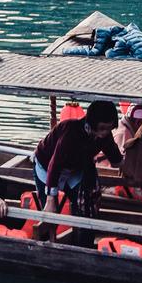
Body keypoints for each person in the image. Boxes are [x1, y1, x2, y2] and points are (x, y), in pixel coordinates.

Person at [34, 101, 121, 242]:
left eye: (109, 128)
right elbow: (54, 165)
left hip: (75, 169)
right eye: (102, 128)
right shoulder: (71, 131)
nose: (105, 133)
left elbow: (116, 159)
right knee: (50, 211)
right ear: (93, 123)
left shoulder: (106, 137)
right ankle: (47, 243)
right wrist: (50, 199)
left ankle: (82, 243)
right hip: (47, 166)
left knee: (85, 208)